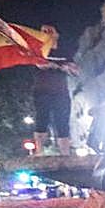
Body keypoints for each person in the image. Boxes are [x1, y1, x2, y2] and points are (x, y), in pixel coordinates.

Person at [31, 27, 77, 156]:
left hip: (61, 91)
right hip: (42, 90)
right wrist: (62, 67)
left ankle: (65, 153)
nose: (46, 34)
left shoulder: (65, 52)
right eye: (43, 31)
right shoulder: (39, 50)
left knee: (62, 121)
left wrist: (58, 66)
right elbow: (40, 64)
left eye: (49, 31)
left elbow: (75, 70)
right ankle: (39, 152)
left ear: (57, 34)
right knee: (42, 120)